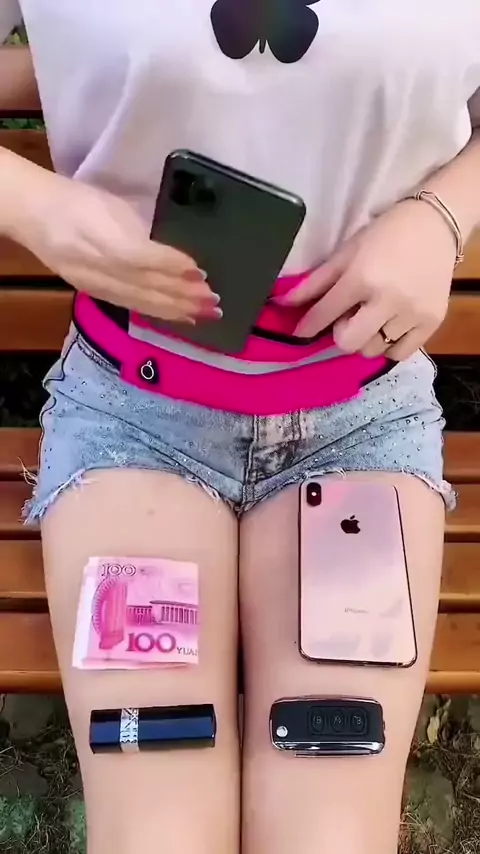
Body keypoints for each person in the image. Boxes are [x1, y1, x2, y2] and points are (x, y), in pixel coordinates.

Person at [1, 2, 479, 853]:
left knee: (330, 839)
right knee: (155, 837)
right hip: (133, 419)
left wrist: (443, 214)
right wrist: (30, 202)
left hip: (360, 417)